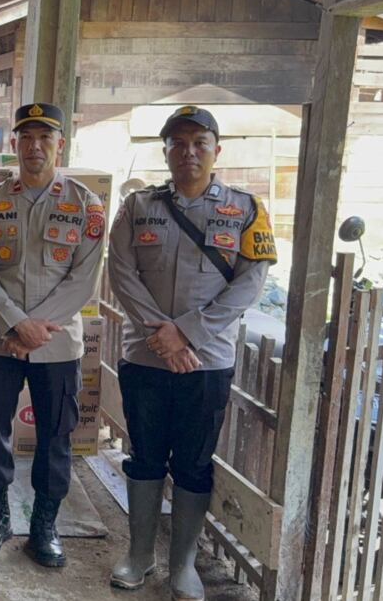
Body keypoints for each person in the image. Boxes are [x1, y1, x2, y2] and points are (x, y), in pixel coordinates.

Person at [107, 106, 275, 599]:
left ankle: (182, 565)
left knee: (194, 464)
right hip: (145, 357)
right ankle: (139, 555)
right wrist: (162, 337)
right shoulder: (137, 206)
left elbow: (251, 283)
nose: (188, 152)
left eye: (199, 143)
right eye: (177, 143)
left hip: (206, 362)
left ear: (217, 151)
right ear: (165, 151)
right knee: (144, 457)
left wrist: (187, 334)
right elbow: (122, 272)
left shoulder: (247, 209)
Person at [0, 103, 104, 567]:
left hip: (57, 344)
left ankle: (45, 525)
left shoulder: (85, 204)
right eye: (26, 137)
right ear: (14, 144)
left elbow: (84, 279)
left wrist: (33, 329)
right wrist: (15, 324)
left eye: (45, 137)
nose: (35, 146)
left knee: (55, 436)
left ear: (60, 145)